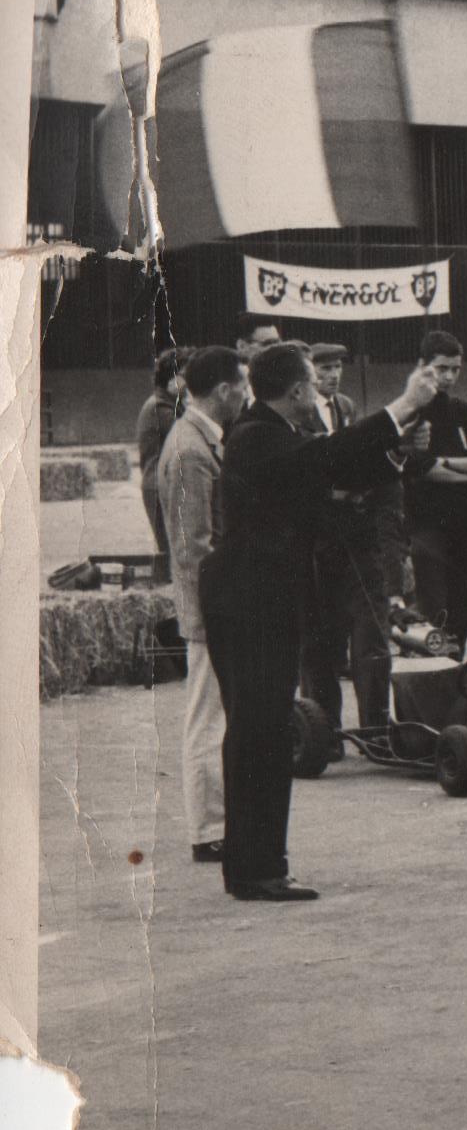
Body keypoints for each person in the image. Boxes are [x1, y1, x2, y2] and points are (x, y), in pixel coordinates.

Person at [203, 343, 440, 901]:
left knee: (257, 732)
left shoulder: (270, 436)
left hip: (256, 599)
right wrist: (403, 405)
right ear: (298, 391)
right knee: (260, 733)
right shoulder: (258, 438)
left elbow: (335, 469)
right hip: (253, 602)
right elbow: (329, 460)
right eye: (313, 381)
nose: (320, 390)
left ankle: (253, 864)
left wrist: (396, 452)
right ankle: (258, 870)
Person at [155, 348, 245, 865]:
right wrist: (222, 606)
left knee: (213, 714)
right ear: (224, 391)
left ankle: (215, 820)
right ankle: (208, 827)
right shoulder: (190, 451)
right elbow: (194, 548)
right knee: (207, 716)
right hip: (211, 605)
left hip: (214, 601)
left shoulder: (201, 441)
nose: (247, 396)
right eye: (243, 386)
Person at [296, 341, 410, 737]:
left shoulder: (345, 407)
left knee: (371, 636)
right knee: (323, 642)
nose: (332, 375)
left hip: (356, 531)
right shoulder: (297, 414)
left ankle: (376, 728)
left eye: (337, 367)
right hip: (318, 536)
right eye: (324, 368)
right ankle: (322, 732)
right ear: (307, 373)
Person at [399, 330, 467, 643]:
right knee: (434, 611)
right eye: (441, 368)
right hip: (428, 525)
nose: (448, 376)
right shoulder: (411, 412)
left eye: (455, 369)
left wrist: (446, 463)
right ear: (422, 365)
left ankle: (457, 676)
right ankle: (433, 682)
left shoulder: (461, 410)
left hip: (466, 525)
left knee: (462, 609)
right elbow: (421, 469)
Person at [135, 349, 188, 583]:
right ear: (173, 377)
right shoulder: (161, 408)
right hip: (160, 486)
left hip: (159, 485)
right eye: (187, 375)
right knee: (172, 553)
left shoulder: (167, 404)